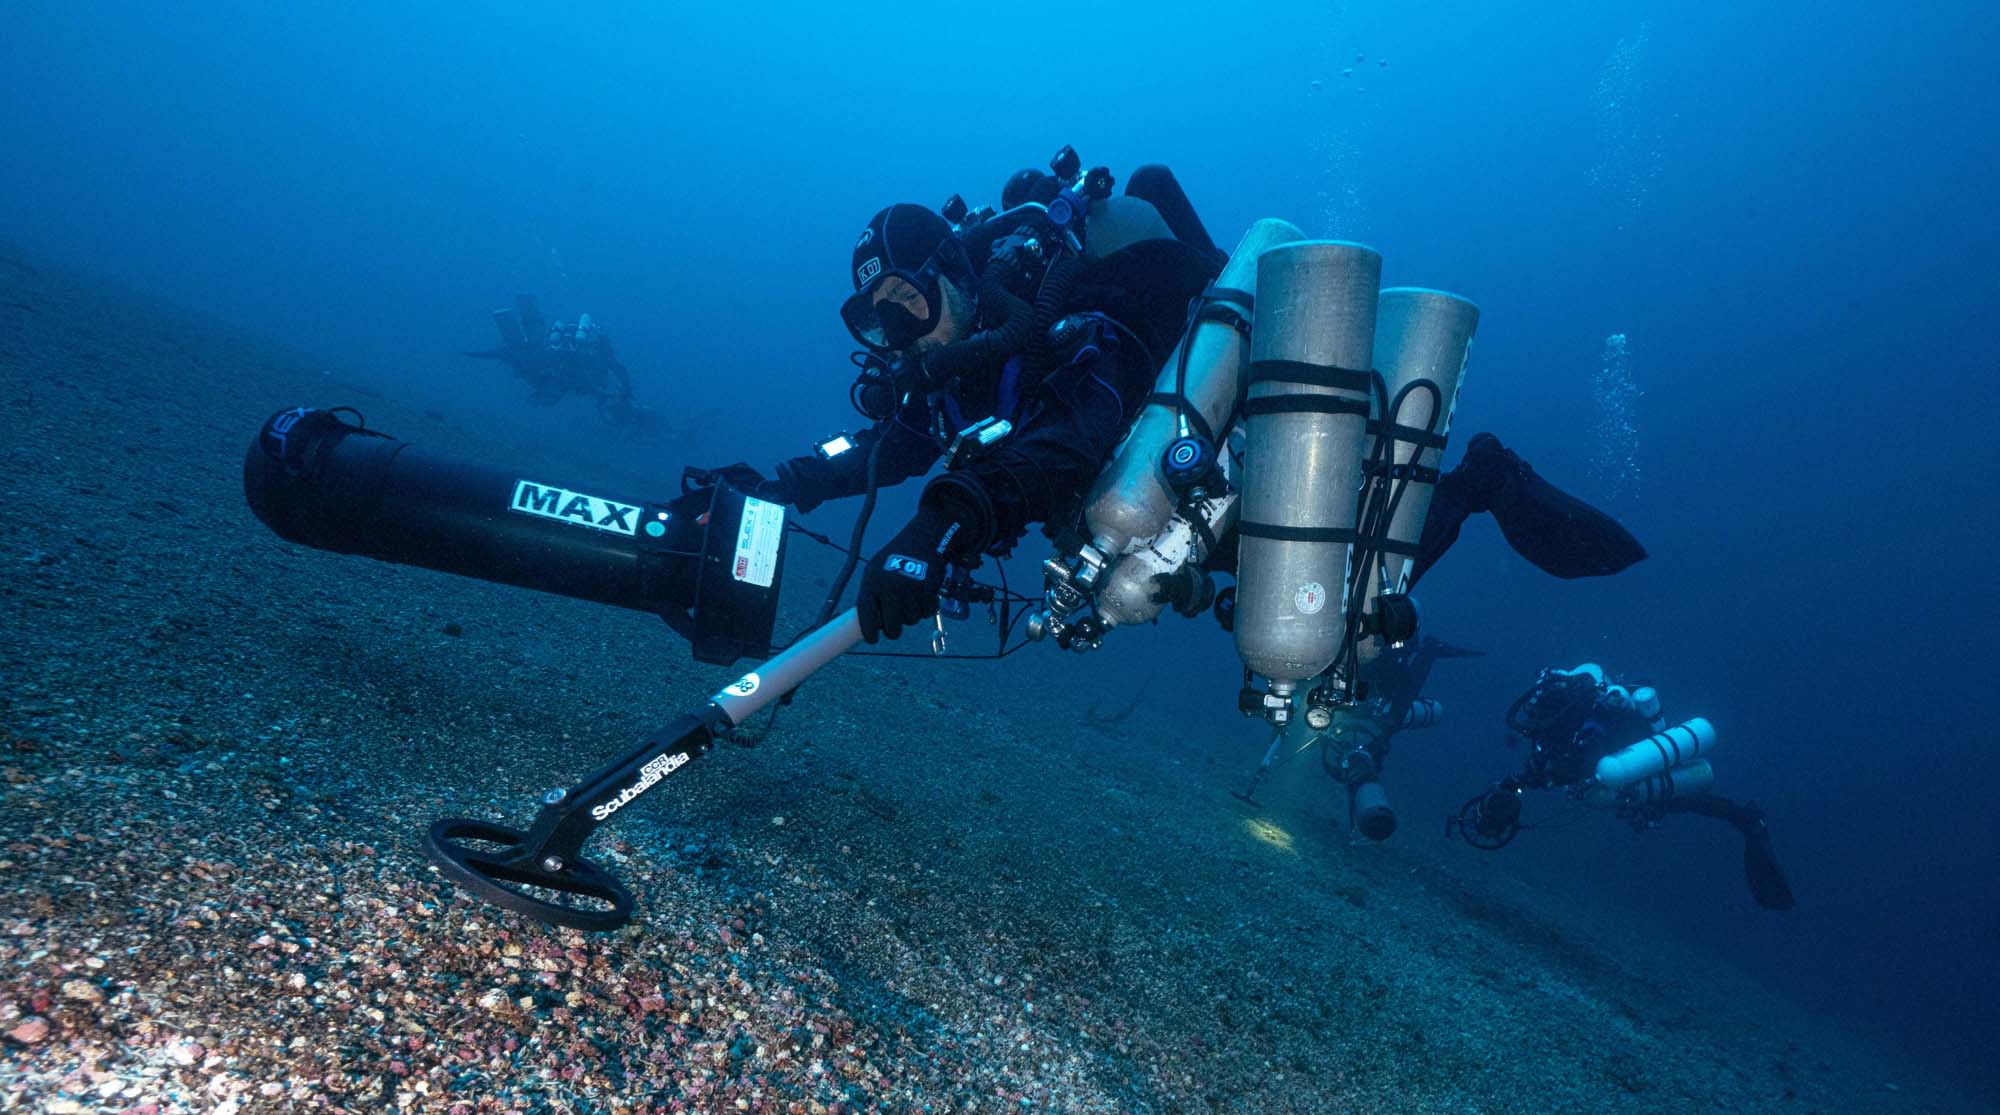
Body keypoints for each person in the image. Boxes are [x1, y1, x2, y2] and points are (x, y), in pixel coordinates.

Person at [711, 154, 1222, 643]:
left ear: (953, 272)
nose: (900, 332)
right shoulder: (951, 373)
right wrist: (787, 482)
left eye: (908, 299)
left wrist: (943, 520)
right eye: (879, 318)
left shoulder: (1061, 317)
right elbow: (892, 446)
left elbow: (1071, 435)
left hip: (1214, 467)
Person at [1448, 663, 1797, 911]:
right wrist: (1529, 777)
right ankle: (1744, 818)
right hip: (1621, 766)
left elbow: (1576, 756)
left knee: (1667, 798)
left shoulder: (1587, 722)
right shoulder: (1570, 720)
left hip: (1625, 767)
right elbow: (1559, 762)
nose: (1537, 720)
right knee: (1671, 799)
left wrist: (1531, 778)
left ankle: (1747, 819)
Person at [466, 296, 639, 421]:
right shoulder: (599, 355)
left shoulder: (573, 352)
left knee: (527, 358)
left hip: (548, 361)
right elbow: (616, 369)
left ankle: (519, 318)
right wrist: (626, 389)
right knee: (529, 361)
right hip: (548, 364)